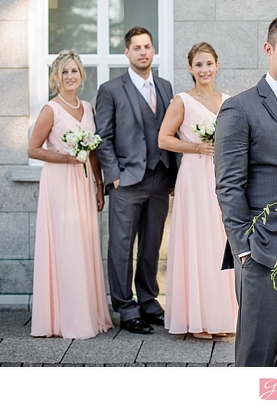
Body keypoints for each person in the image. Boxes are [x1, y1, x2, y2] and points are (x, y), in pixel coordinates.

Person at [214, 14, 277, 367]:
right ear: (268, 49)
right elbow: (228, 185)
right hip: (262, 254)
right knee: (256, 357)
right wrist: (244, 250)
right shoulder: (239, 108)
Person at [95, 26, 178, 335]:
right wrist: (113, 176)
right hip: (126, 182)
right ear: (127, 53)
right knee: (121, 245)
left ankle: (148, 300)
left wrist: (174, 175)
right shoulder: (110, 89)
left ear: (153, 51)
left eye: (147, 46)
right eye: (137, 47)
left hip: (159, 177)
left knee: (152, 245)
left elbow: (173, 133)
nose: (143, 52)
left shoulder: (166, 87)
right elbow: (103, 137)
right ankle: (125, 307)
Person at [28, 50, 112, 339]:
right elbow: (33, 149)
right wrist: (65, 158)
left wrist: (99, 186)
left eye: (74, 71)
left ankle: (89, 314)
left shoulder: (87, 107)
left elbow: (94, 153)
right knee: (66, 246)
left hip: (83, 182)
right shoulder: (51, 109)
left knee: (84, 244)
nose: (70, 76)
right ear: (56, 77)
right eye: (65, 72)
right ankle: (65, 318)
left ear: (81, 75)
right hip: (60, 182)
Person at [158, 42, 238, 338]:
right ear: (191, 69)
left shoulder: (229, 100)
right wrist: (196, 147)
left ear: (217, 65)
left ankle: (224, 315)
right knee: (197, 242)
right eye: (198, 65)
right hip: (193, 178)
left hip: (223, 177)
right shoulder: (182, 100)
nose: (204, 70)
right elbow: (164, 139)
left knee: (220, 241)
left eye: (209, 63)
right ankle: (199, 318)